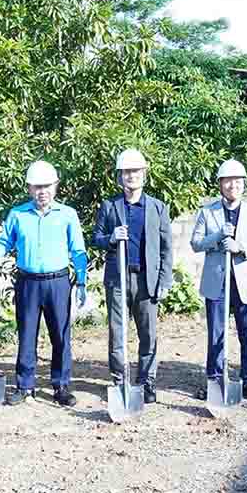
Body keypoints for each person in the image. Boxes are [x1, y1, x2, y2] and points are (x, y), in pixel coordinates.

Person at [0, 161, 88, 407]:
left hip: (57, 283)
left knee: (61, 335)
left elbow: (78, 251)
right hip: (27, 283)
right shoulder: (17, 214)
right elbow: (3, 243)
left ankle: (60, 386)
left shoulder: (67, 214)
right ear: (29, 188)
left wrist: (81, 281)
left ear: (55, 186)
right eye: (37, 186)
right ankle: (25, 386)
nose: (42, 191)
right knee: (26, 335)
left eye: (46, 186)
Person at [92, 148, 173, 404]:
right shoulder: (109, 206)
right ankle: (120, 379)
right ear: (120, 176)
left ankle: (147, 381)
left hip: (146, 280)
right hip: (118, 279)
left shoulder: (158, 208)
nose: (131, 176)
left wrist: (164, 281)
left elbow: (166, 248)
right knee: (117, 332)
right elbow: (97, 238)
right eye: (126, 172)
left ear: (144, 174)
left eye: (136, 171)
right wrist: (112, 238)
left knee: (148, 333)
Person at [190, 159, 247, 401]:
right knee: (216, 332)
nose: (232, 185)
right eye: (227, 181)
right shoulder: (207, 212)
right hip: (217, 281)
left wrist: (240, 247)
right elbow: (195, 243)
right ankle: (215, 379)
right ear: (220, 184)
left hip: (244, 281)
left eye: (237, 181)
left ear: (243, 184)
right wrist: (217, 236)